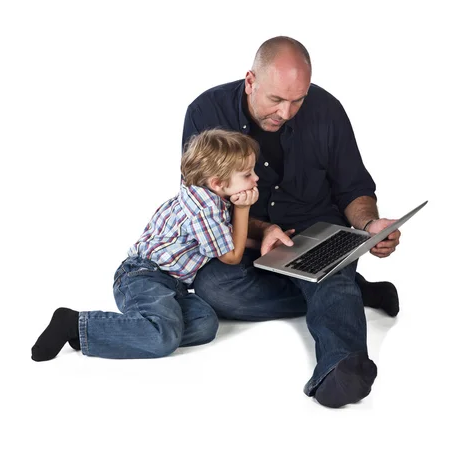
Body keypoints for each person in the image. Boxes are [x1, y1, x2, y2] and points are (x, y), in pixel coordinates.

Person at [182, 36, 402, 408]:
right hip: (247, 245)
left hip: (318, 236)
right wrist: (263, 229)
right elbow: (200, 202)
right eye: (276, 100)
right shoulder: (207, 112)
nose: (286, 112)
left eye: (297, 100)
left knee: (328, 272)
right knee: (213, 288)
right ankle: (353, 292)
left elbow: (354, 188)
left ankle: (340, 367)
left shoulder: (328, 110)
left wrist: (368, 226)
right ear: (250, 81)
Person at [31, 129, 260, 361]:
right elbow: (231, 256)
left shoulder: (204, 196)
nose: (256, 179)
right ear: (217, 183)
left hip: (171, 285)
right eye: (248, 174)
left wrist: (262, 241)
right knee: (162, 339)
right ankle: (73, 323)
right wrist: (243, 209)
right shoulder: (204, 210)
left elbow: (225, 239)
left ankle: (109, 332)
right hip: (144, 276)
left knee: (205, 324)